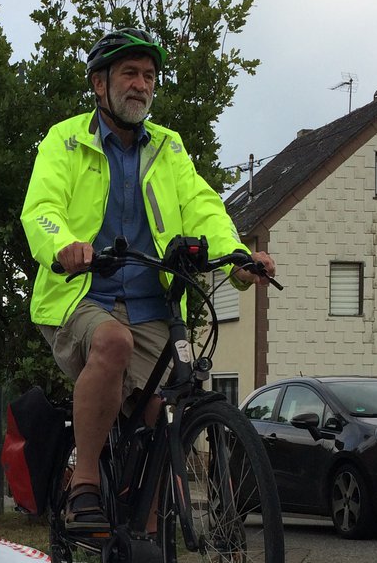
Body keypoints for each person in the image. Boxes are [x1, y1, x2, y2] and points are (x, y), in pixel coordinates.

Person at [20, 26, 276, 530]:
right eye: (130, 73)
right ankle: (86, 482)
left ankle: (150, 532)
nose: (142, 84)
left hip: (155, 302)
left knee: (168, 398)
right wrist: (63, 246)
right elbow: (42, 209)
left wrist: (235, 255)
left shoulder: (168, 148)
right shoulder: (65, 140)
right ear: (100, 84)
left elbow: (203, 207)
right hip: (82, 294)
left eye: (150, 76)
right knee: (112, 343)